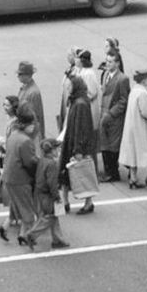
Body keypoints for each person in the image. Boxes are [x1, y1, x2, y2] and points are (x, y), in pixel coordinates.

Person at [58, 53, 99, 215]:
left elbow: (82, 130)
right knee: (67, 172)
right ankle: (66, 200)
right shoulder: (77, 101)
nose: (67, 90)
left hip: (77, 145)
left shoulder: (80, 104)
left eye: (69, 87)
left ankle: (88, 202)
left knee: (81, 173)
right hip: (71, 142)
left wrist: (78, 150)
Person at [0, 106, 40, 241]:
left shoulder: (13, 136)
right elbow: (30, 162)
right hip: (21, 179)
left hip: (9, 177)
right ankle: (28, 236)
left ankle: (6, 228)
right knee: (27, 209)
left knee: (16, 205)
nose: (33, 127)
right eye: (31, 124)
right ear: (27, 125)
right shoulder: (26, 141)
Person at [118, 64, 147, 187]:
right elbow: (146, 112)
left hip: (132, 127)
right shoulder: (143, 93)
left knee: (133, 152)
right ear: (144, 80)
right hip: (142, 127)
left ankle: (133, 178)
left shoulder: (134, 91)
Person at [26, 137, 71, 251]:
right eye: (57, 149)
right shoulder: (52, 164)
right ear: (52, 150)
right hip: (48, 194)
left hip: (39, 192)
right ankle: (32, 234)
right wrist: (56, 197)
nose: (58, 152)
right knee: (49, 217)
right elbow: (52, 183)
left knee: (54, 216)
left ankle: (58, 240)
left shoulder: (42, 160)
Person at [97, 44, 131, 182]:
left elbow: (123, 101)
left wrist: (111, 114)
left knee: (112, 146)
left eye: (111, 62)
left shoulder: (122, 79)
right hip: (104, 114)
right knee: (104, 144)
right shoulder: (105, 74)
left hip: (114, 118)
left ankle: (113, 172)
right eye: (107, 61)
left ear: (117, 63)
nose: (108, 64)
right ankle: (108, 170)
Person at [14, 60, 46, 144]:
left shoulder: (33, 93)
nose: (18, 76)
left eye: (20, 74)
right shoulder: (24, 87)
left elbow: (34, 116)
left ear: (28, 75)